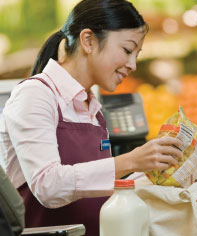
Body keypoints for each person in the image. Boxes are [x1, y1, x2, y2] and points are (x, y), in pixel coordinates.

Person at [0, 0, 183, 235]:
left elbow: (96, 185)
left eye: (136, 55)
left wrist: (155, 171)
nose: (133, 65)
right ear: (88, 40)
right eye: (127, 50)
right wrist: (131, 161)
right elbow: (48, 185)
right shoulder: (35, 95)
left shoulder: (92, 108)